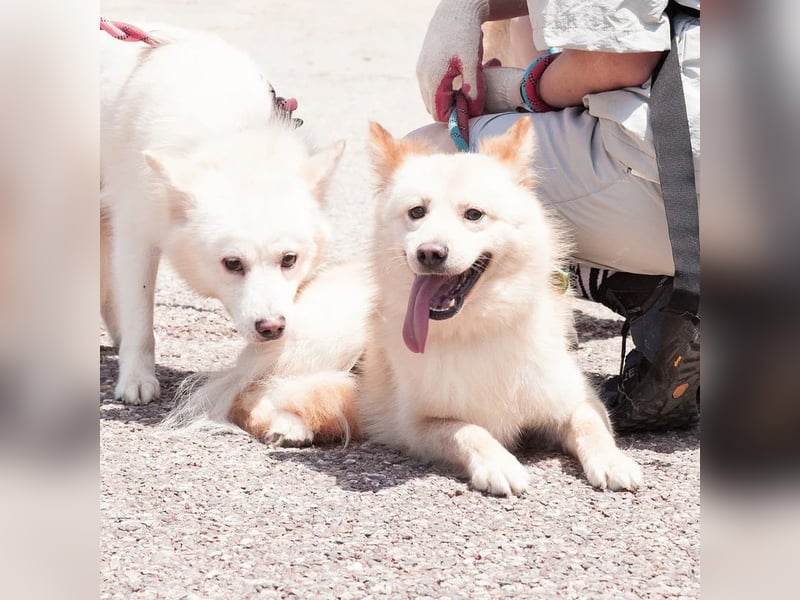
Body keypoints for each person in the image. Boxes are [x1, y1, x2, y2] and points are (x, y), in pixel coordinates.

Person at [411, 0, 700, 431]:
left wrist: (517, 91)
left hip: (698, 174)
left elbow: (615, 59)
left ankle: (669, 304)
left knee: (428, 157)